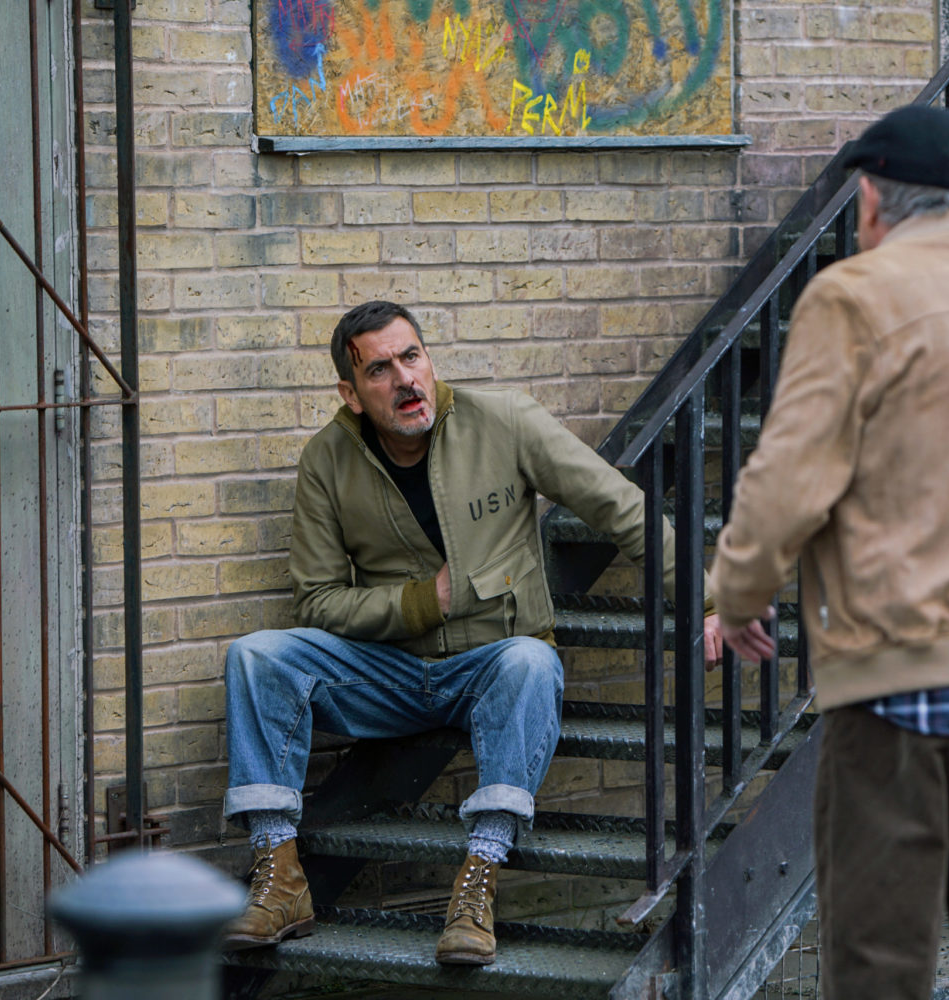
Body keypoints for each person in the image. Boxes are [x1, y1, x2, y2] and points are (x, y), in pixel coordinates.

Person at [708, 105, 949, 1000]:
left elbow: (785, 481)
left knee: (881, 967)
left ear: (872, 199)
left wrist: (738, 594)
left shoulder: (853, 296)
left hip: (903, 673)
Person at [221, 299, 721, 963]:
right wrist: (421, 602)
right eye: (379, 369)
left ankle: (477, 883)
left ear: (429, 359)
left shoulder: (503, 422)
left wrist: (706, 601)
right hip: (392, 673)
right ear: (349, 392)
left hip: (491, 663)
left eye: (412, 356)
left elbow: (619, 506)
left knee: (531, 665)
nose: (404, 379)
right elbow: (316, 602)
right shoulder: (327, 461)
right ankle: (280, 877)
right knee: (257, 656)